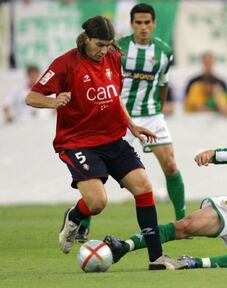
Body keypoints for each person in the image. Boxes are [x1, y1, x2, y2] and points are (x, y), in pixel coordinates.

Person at [25, 15, 186, 270]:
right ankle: (75, 216)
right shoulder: (65, 64)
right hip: (78, 142)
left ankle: (156, 258)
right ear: (86, 38)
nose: (104, 50)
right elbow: (32, 97)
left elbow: (114, 96)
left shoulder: (113, 56)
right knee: (98, 203)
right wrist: (53, 101)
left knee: (144, 187)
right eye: (99, 44)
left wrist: (131, 123)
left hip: (113, 138)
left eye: (108, 44)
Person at [104, 112, 227, 269]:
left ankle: (194, 262)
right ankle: (124, 246)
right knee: (184, 226)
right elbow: (218, 154)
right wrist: (207, 155)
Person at [76, 3, 186, 243]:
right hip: (118, 114)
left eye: (148, 23)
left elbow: (163, 84)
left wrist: (158, 111)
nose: (143, 27)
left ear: (154, 24)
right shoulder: (118, 48)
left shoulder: (164, 51)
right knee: (98, 171)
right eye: (139, 23)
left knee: (169, 164)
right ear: (132, 23)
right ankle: (83, 224)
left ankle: (181, 219)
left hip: (151, 114)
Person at [184, 52, 227, 117]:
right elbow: (199, 108)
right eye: (206, 63)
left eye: (210, 63)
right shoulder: (194, 84)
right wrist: (217, 110)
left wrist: (217, 97)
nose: (208, 87)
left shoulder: (221, 84)